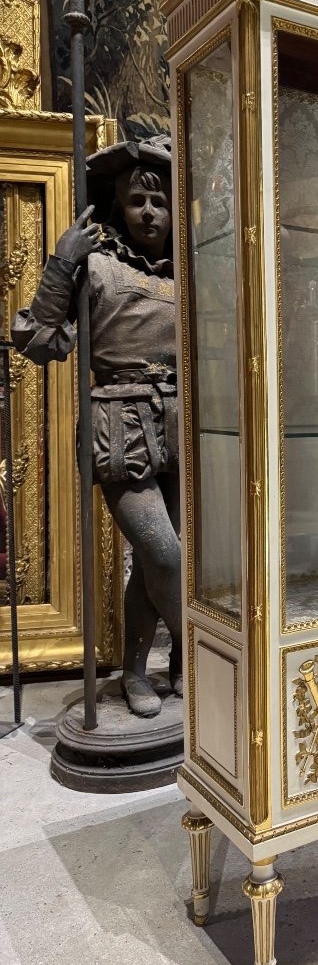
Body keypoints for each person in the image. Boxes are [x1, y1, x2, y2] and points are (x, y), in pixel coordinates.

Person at [13, 135, 180, 717]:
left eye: (160, 202)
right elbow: (38, 340)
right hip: (121, 425)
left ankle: (146, 671)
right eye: (137, 201)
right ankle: (201, 647)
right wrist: (62, 262)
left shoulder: (186, 276)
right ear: (119, 204)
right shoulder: (98, 268)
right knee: (164, 555)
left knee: (169, 558)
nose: (150, 213)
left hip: (183, 426)